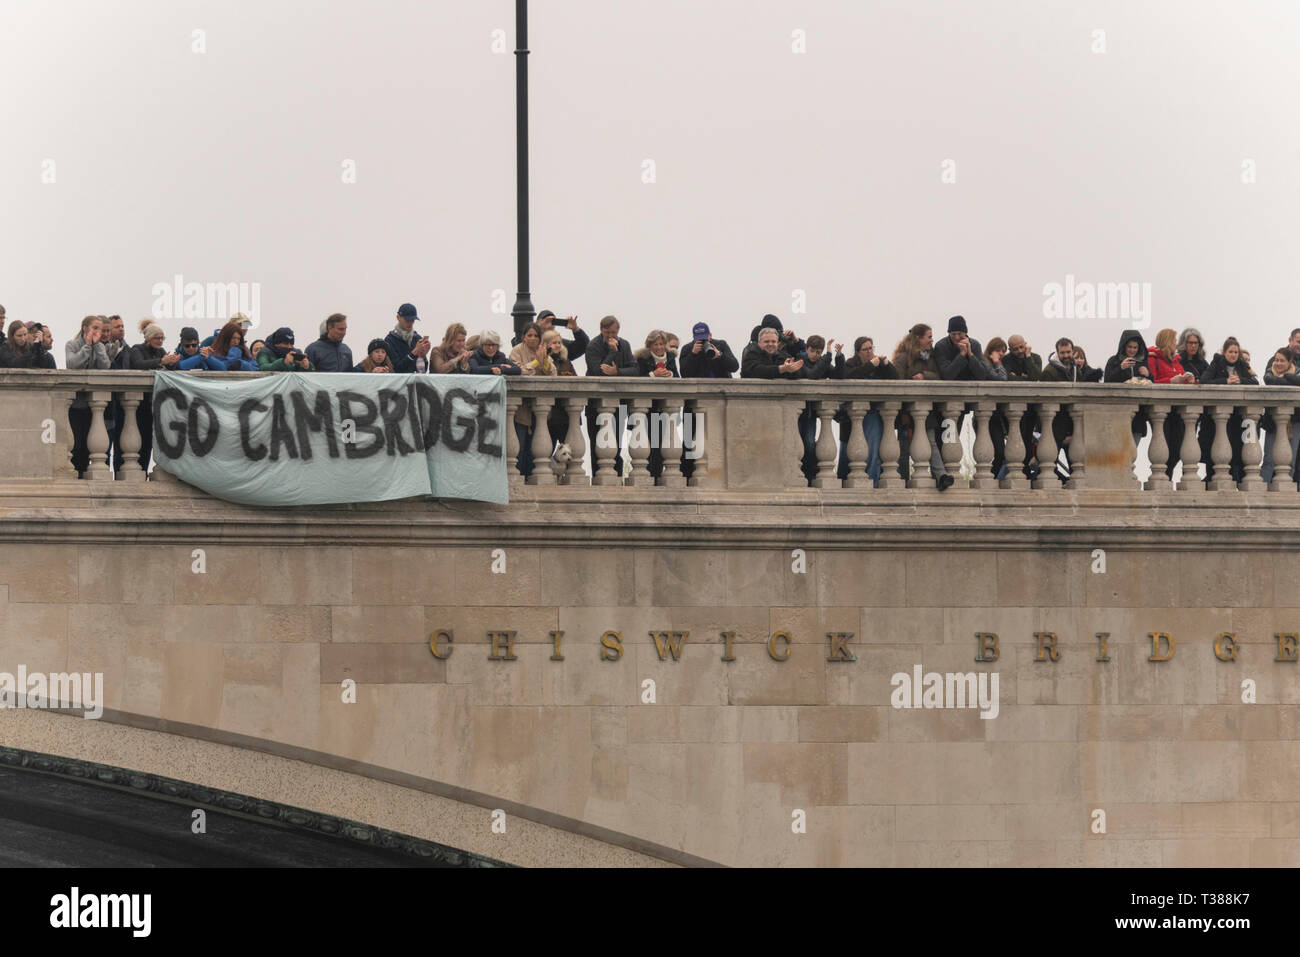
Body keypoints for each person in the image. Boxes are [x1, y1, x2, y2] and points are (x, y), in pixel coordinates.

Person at [1199, 337, 1258, 484]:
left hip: (1236, 417)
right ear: (1224, 352)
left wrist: (1241, 381)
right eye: (1231, 351)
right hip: (1215, 417)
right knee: (1214, 450)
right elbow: (1204, 381)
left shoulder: (1241, 365)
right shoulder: (1216, 363)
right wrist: (1225, 381)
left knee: (1236, 449)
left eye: (1236, 352)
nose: (1233, 355)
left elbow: (1255, 382)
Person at [508, 323, 564, 477]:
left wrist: (544, 360)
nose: (532, 338)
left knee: (536, 448)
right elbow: (516, 371)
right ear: (524, 337)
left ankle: (532, 477)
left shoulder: (543, 350)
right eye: (529, 335)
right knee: (519, 446)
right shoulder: (517, 350)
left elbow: (552, 374)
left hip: (540, 408)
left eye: (536, 336)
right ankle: (519, 478)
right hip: (521, 409)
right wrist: (535, 363)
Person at [1262, 348, 1300, 485]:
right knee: (1269, 460)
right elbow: (1269, 380)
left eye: (1282, 361)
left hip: (1294, 421)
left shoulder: (1295, 371)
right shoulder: (1270, 371)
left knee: (1291, 459)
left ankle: (1286, 488)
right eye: (1276, 360)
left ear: (1290, 362)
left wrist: (1285, 377)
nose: (1277, 363)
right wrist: (1291, 379)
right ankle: (1263, 488)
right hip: (1273, 422)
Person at [386, 303, 432, 373]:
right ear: (398, 317)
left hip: (415, 383)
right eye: (407, 320)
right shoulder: (389, 340)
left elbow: (422, 370)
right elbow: (397, 369)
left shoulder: (417, 338)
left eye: (412, 320)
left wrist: (422, 356)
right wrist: (414, 353)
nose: (410, 323)